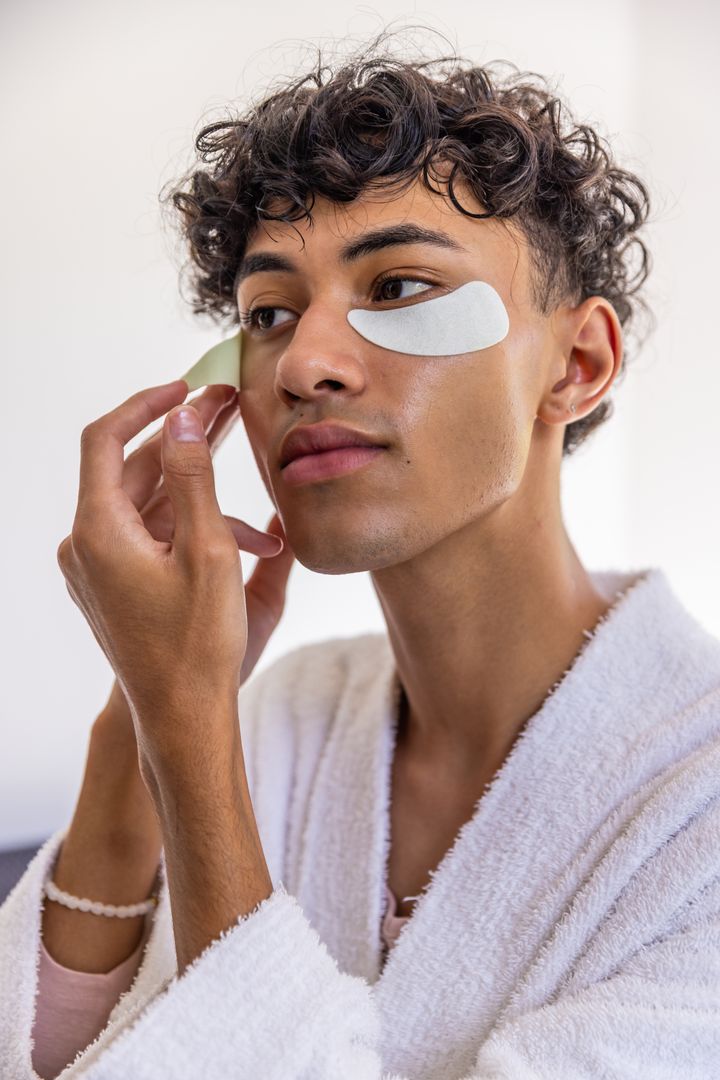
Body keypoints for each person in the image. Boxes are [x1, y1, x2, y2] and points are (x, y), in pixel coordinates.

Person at [3, 27, 720, 1080]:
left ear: (577, 362)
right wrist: (141, 719)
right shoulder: (283, 715)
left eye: (396, 289)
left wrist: (192, 739)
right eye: (268, 312)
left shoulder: (694, 807)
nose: (304, 363)